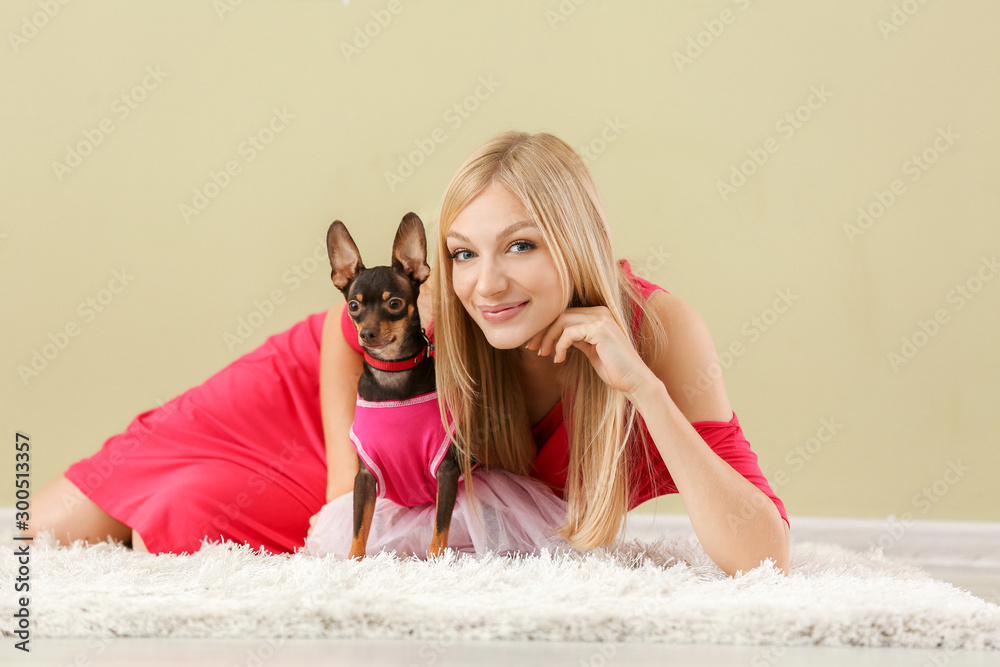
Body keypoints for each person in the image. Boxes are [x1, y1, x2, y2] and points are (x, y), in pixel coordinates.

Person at [27, 130, 789, 576]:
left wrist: (646, 390)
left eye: (520, 246)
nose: (486, 284)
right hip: (338, 412)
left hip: (420, 465)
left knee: (184, 516)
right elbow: (342, 335)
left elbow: (764, 557)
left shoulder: (660, 329)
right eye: (462, 252)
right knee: (50, 529)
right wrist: (343, 488)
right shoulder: (449, 305)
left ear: (578, 243)